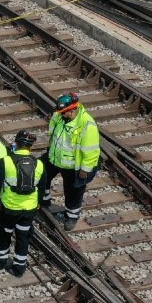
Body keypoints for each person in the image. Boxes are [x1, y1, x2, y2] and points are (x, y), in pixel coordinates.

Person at [38, 93, 100, 230]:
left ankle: (72, 216)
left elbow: (91, 150)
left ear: (73, 110)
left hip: (72, 165)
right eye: (60, 112)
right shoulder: (59, 116)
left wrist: (85, 168)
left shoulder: (86, 125)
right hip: (55, 157)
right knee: (41, 172)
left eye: (65, 112)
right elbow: (53, 131)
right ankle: (44, 199)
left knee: (73, 192)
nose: (62, 115)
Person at [0, 130, 44, 276]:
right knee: (23, 236)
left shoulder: (6, 161)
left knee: (4, 232)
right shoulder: (39, 164)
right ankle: (19, 267)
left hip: (9, 207)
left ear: (16, 143)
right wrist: (38, 203)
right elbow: (43, 187)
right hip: (29, 208)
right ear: (31, 146)